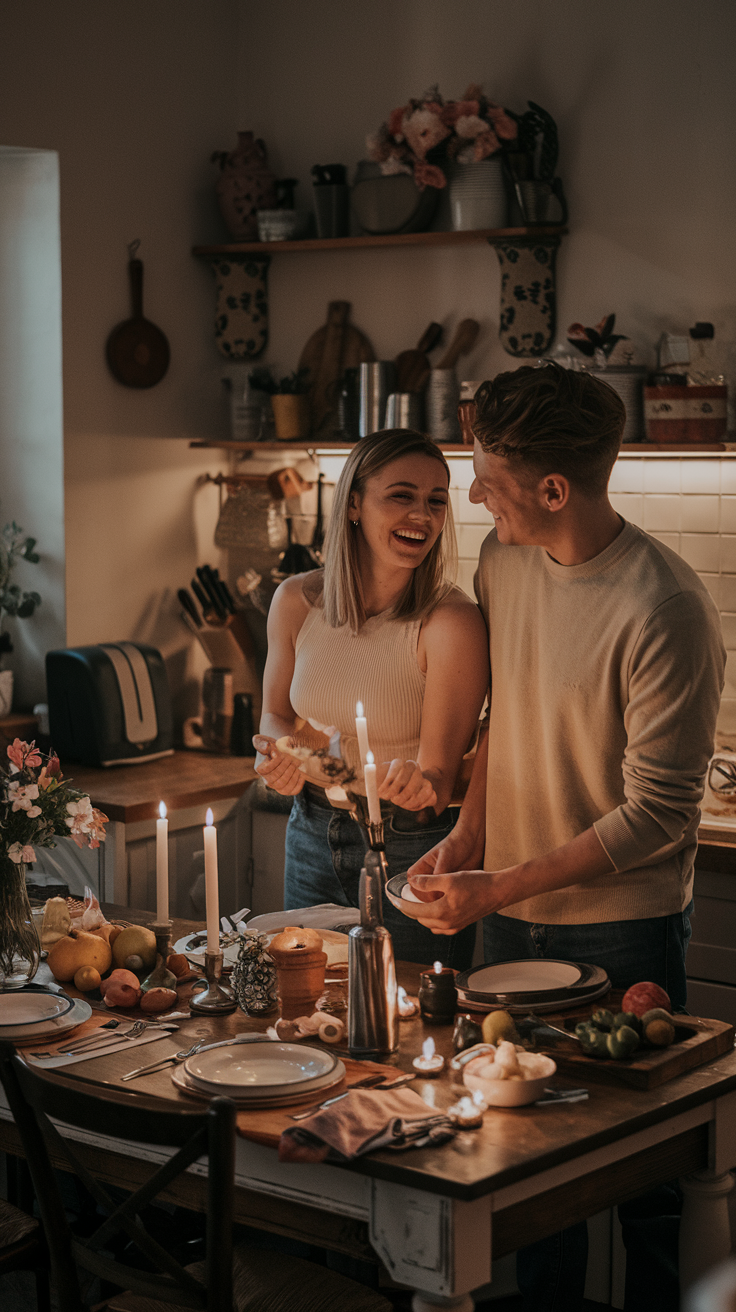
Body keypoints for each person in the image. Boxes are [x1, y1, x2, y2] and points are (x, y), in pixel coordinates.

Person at [406, 364, 725, 1312]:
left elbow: (659, 815)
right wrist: (469, 837)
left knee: (644, 1182)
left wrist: (500, 885)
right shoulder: (502, 563)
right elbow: (505, 717)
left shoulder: (664, 607)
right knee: (524, 1164)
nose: (473, 497)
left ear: (553, 490)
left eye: (487, 480)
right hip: (509, 918)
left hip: (621, 928)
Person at [253, 428, 489, 968]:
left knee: (409, 1003)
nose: (421, 516)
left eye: (436, 501)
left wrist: (415, 782)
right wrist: (277, 756)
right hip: (311, 830)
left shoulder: (451, 622)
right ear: (354, 504)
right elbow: (275, 714)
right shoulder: (294, 601)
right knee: (305, 996)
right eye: (401, 495)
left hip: (411, 846)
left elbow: (437, 782)